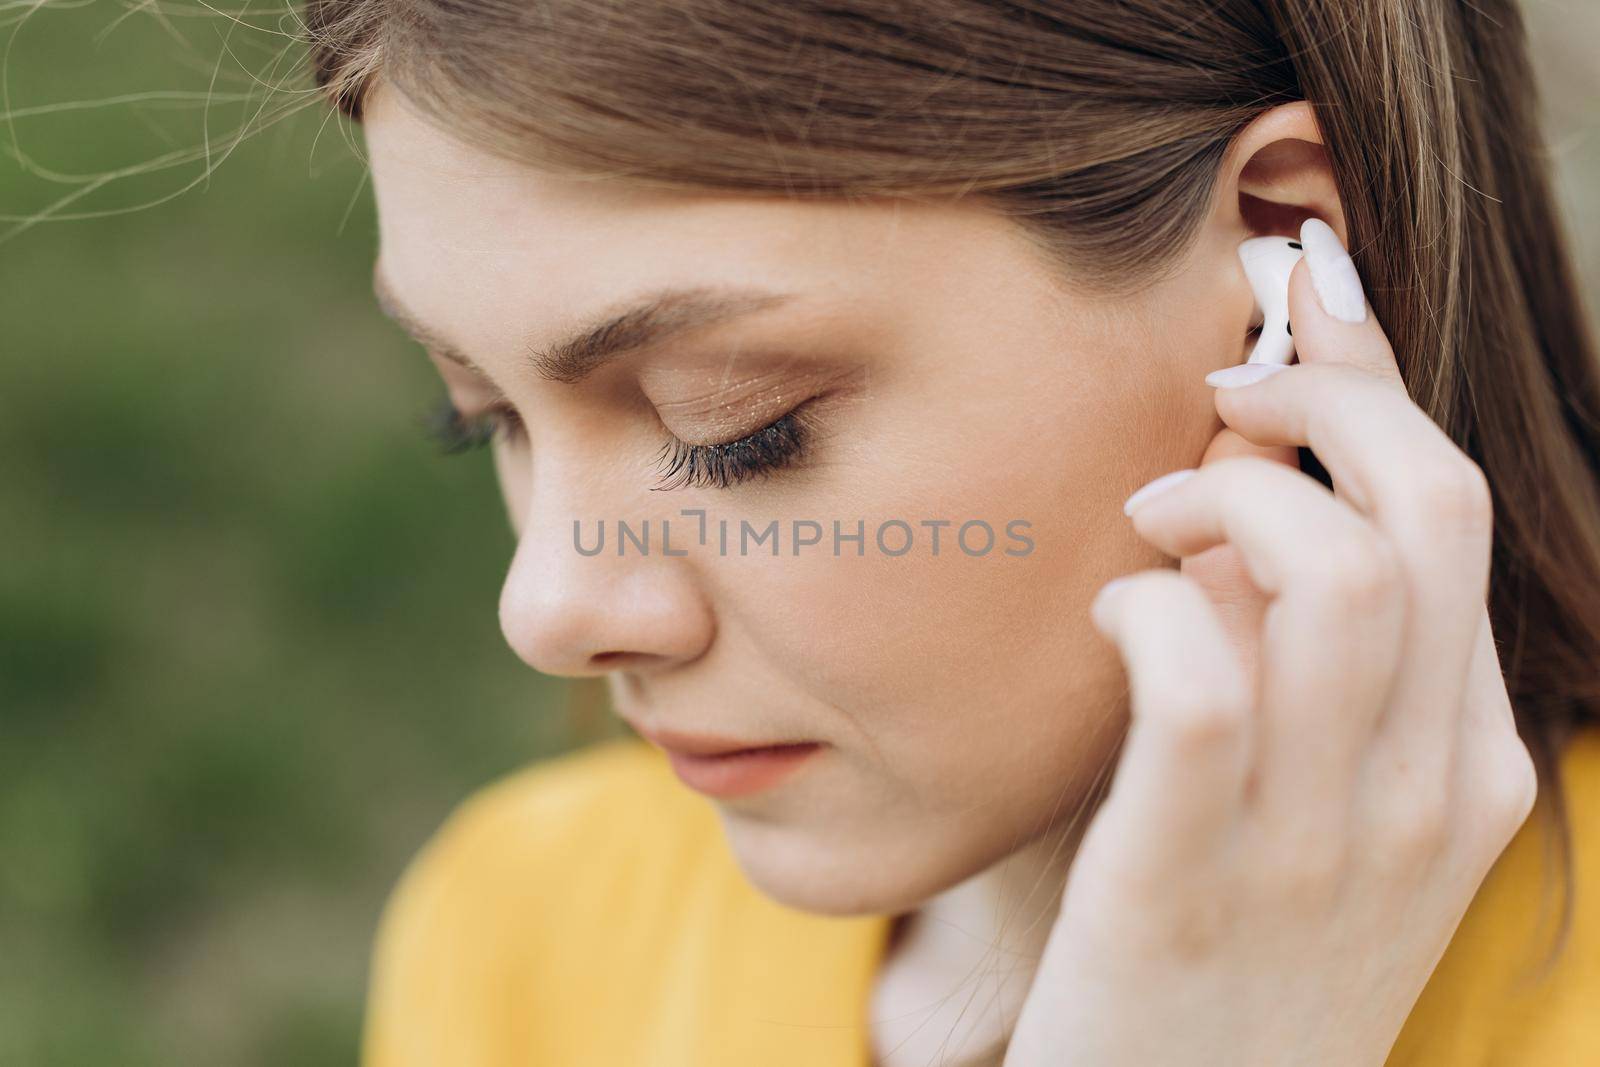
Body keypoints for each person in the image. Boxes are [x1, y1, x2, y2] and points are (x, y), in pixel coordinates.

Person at [300, 1, 1600, 1063]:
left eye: (741, 428)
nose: (550, 609)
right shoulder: (526, 933)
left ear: (1282, 252)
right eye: (481, 416)